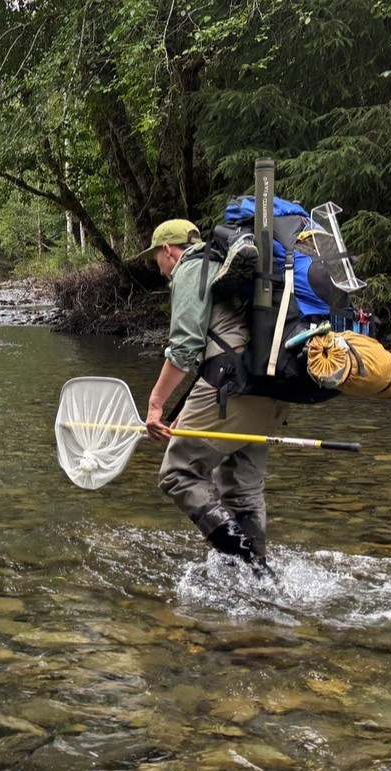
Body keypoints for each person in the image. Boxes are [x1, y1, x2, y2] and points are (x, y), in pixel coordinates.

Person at [139, 219, 288, 566]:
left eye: (156, 260)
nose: (159, 269)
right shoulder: (228, 267)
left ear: (168, 251)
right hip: (270, 388)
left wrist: (155, 405)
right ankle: (259, 576)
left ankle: (244, 559)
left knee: (178, 473)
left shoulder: (193, 266)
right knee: (241, 487)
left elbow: (185, 347)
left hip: (231, 387)